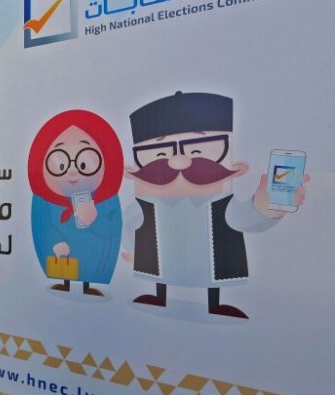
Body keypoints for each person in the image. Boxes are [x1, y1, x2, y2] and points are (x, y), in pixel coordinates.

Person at [122, 91, 309, 318]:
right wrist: (133, 251)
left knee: (215, 272)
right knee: (159, 271)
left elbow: (244, 219)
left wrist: (266, 207)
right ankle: (160, 295)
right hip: (159, 266)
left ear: (236, 167)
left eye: (197, 150)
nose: (179, 161)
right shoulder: (147, 205)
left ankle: (214, 303)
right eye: (161, 153)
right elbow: (126, 224)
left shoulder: (221, 203)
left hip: (212, 268)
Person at [28, 110, 124, 296]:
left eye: (84, 163)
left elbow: (113, 230)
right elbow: (41, 227)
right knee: (62, 265)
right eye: (60, 164)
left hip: (96, 259)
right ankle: (65, 283)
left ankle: (89, 285)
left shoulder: (107, 200)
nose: (72, 171)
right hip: (60, 259)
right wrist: (55, 241)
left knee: (91, 268)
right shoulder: (42, 202)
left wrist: (95, 220)